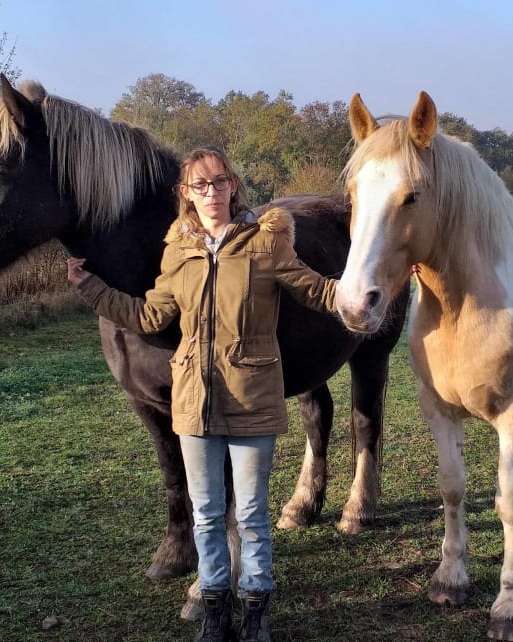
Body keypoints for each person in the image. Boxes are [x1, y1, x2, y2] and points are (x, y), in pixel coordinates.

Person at [67, 146, 338, 642]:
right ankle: (216, 612)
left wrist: (359, 293)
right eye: (199, 185)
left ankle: (256, 613)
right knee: (208, 514)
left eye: (218, 182)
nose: (210, 193)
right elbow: (149, 316)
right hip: (194, 403)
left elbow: (313, 288)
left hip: (252, 397)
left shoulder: (266, 242)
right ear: (185, 195)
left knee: (253, 516)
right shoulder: (179, 251)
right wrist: (90, 288)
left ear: (232, 185)